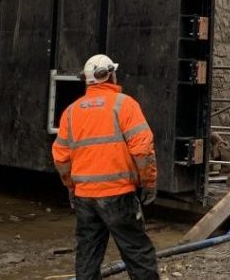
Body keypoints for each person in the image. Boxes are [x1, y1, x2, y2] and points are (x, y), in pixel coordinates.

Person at [52, 54, 159, 280]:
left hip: (85, 198)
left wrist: (72, 187)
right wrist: (149, 182)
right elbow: (142, 150)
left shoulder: (71, 112)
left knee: (88, 256)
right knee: (138, 253)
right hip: (118, 195)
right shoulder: (125, 105)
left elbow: (61, 158)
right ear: (110, 74)